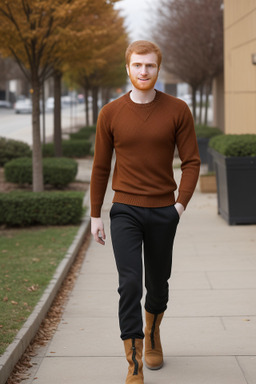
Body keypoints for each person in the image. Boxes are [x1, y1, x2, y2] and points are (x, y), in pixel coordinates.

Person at [90, 40, 200, 384]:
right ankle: (134, 362)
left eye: (150, 66)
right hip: (124, 210)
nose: (143, 71)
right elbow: (100, 167)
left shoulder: (178, 109)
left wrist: (178, 206)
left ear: (158, 68)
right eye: (137, 65)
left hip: (163, 210)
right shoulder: (110, 113)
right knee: (130, 284)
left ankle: (152, 333)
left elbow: (192, 162)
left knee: (158, 284)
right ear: (128, 68)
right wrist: (96, 214)